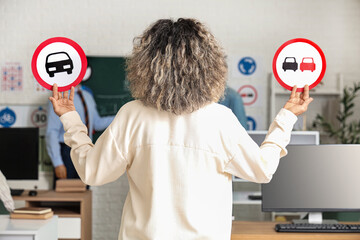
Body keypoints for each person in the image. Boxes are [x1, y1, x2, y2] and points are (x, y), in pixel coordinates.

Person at [48, 18, 313, 240]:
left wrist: (71, 119)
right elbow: (262, 170)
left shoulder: (132, 115)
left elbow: (93, 172)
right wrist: (287, 116)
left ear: (145, 66)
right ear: (209, 67)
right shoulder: (221, 119)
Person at [46, 84, 114, 184]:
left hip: (86, 148)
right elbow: (52, 132)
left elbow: (96, 123)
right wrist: (57, 163)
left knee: (83, 191)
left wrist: (122, 117)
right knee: (65, 194)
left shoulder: (87, 95)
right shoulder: (59, 97)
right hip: (67, 151)